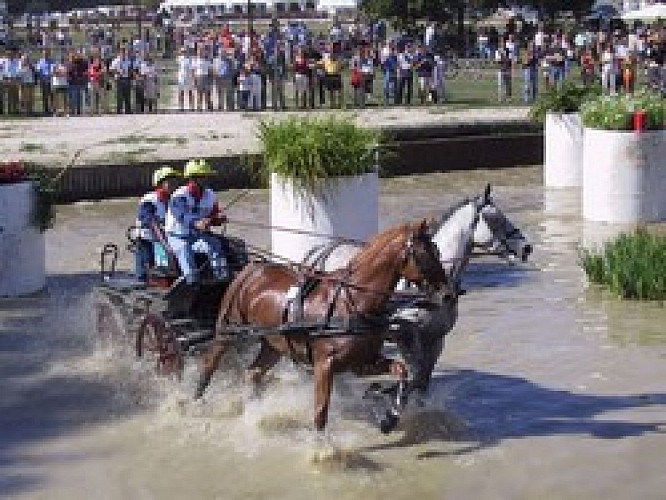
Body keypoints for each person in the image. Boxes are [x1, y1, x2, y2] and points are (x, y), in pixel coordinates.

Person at [165, 159, 229, 284]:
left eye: (207, 177)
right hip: (178, 237)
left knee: (215, 245)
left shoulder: (210, 195)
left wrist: (218, 219)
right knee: (185, 250)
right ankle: (192, 282)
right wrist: (196, 223)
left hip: (197, 236)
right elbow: (182, 216)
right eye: (204, 177)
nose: (208, 179)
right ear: (193, 179)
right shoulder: (179, 196)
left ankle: (222, 279)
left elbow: (214, 214)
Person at [134, 167, 182, 282]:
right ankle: (142, 284)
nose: (174, 184)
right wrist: (157, 224)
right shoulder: (149, 200)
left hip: (165, 238)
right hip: (147, 239)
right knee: (145, 268)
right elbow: (148, 219)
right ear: (160, 184)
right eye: (170, 182)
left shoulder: (174, 199)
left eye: (175, 181)